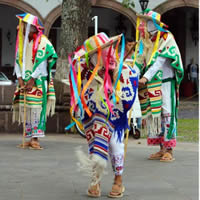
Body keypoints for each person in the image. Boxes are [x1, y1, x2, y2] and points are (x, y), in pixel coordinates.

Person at [68, 32, 138, 197]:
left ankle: (118, 180)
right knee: (94, 142)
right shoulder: (84, 71)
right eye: (101, 50)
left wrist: (116, 77)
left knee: (115, 145)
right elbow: (81, 89)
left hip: (114, 113)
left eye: (107, 48)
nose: (107, 52)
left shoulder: (120, 67)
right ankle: (96, 180)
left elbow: (129, 83)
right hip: (94, 114)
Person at [132, 9, 184, 162]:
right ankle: (161, 149)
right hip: (151, 84)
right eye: (144, 22)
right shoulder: (145, 40)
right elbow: (138, 61)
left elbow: (159, 62)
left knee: (167, 113)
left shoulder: (167, 38)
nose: (145, 25)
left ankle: (169, 149)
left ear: (155, 24)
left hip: (166, 83)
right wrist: (132, 76)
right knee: (155, 115)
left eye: (148, 22)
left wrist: (145, 78)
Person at [13, 13, 58, 149]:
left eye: (26, 25)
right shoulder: (21, 42)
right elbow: (17, 61)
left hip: (37, 80)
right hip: (24, 80)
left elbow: (42, 62)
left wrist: (32, 79)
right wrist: (20, 78)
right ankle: (28, 136)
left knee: (36, 109)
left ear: (33, 27)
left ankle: (35, 137)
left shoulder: (43, 41)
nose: (22, 27)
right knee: (26, 108)